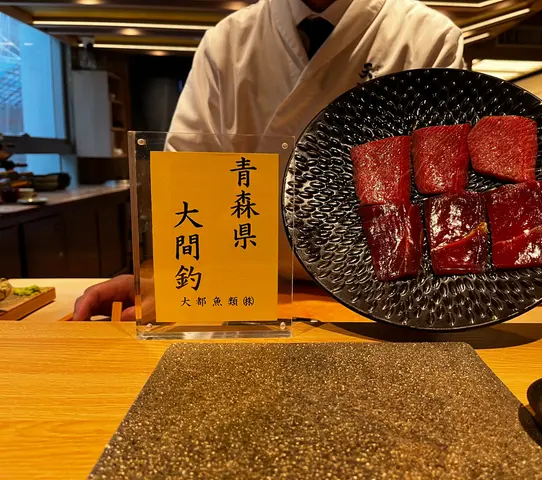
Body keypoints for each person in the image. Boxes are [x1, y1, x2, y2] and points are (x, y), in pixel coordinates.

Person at [74, 0, 464, 321]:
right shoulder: (227, 41)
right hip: (248, 292)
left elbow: (443, 189)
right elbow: (189, 177)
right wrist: (166, 278)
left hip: (389, 300)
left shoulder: (425, 36)